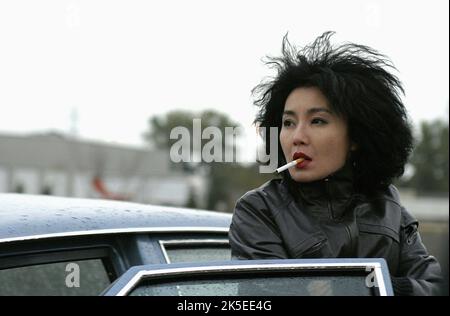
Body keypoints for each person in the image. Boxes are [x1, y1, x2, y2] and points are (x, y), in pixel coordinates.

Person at [228, 31, 442, 296]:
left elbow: (433, 287)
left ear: (356, 136)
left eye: (317, 121)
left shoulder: (389, 205)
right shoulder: (260, 210)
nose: (297, 137)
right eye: (288, 123)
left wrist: (365, 289)